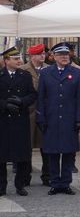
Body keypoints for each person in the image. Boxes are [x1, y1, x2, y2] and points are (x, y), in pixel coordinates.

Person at [37, 43, 80, 196]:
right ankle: (55, 183)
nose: (64, 57)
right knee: (52, 153)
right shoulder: (45, 73)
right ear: (54, 57)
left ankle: (65, 183)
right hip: (51, 119)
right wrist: (41, 117)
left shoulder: (76, 73)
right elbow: (41, 97)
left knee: (68, 153)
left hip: (69, 119)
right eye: (61, 55)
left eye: (66, 54)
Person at [0, 47, 37, 196]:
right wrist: (4, 105)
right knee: (1, 156)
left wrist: (22, 101)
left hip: (20, 119)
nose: (19, 61)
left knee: (22, 154)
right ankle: (1, 186)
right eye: (15, 59)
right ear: (6, 60)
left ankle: (20, 185)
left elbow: (33, 95)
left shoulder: (25, 75)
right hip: (3, 120)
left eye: (19, 58)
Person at [19, 43, 49, 186]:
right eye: (39, 54)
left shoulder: (50, 70)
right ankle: (25, 177)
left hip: (46, 112)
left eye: (43, 53)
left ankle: (47, 176)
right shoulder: (23, 70)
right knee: (26, 146)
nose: (42, 56)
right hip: (28, 112)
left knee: (47, 146)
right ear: (32, 56)